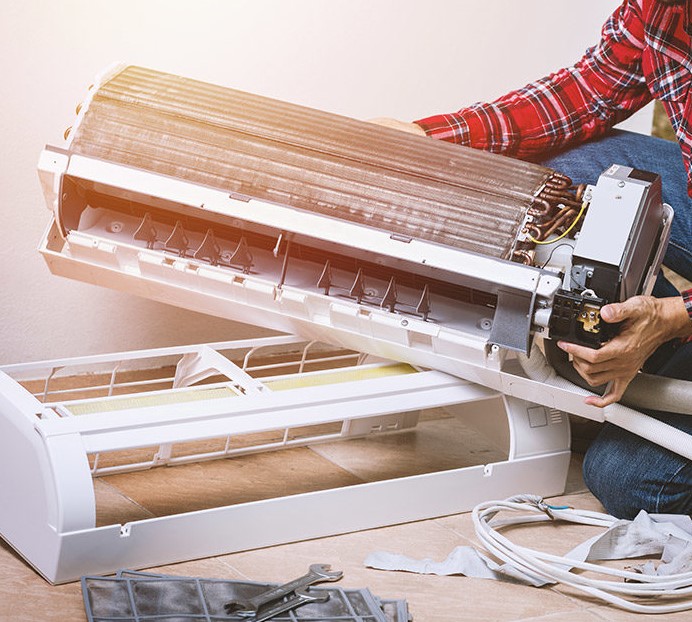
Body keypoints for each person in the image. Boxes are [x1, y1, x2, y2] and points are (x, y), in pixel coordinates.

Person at [373, 0, 691, 518]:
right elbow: (586, 92)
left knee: (628, 482)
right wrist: (431, 141)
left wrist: (676, 315)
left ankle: (666, 344)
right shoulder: (663, 9)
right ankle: (652, 353)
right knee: (560, 167)